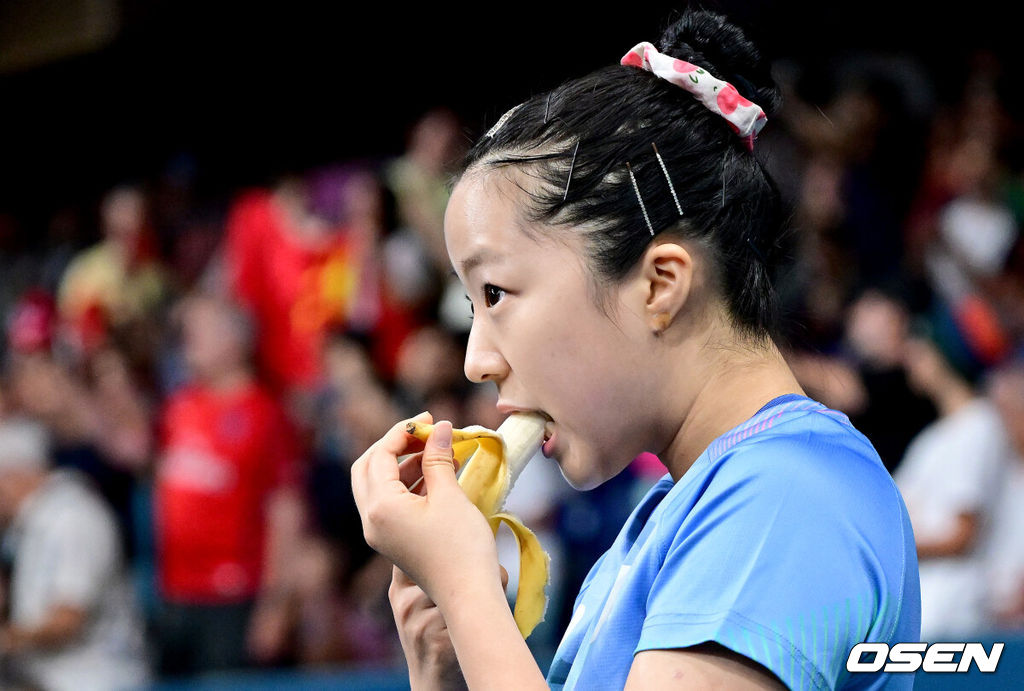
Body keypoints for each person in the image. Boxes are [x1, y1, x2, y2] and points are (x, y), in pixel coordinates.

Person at [351, 9, 919, 691]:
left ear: (659, 283)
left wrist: (470, 588)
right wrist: (443, 673)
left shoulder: (785, 498)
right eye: (472, 307)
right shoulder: (666, 517)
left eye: (496, 293)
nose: (476, 360)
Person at [152, 293, 307, 676]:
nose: (186, 338)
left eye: (198, 328)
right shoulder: (179, 407)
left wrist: (275, 605)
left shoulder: (265, 415)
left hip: (235, 599)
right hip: (174, 594)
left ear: (234, 341)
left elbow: (287, 513)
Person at [0, 417, 149, 691]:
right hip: (46, 678)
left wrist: (8, 639)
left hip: (93, 679)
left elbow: (69, 619)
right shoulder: (32, 523)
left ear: (14, 475)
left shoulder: (73, 517)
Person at [893, 335, 1011, 638]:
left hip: (952, 610)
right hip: (923, 603)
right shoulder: (933, 436)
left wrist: (892, 548)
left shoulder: (979, 424)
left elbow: (962, 534)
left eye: (921, 352)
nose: (911, 362)